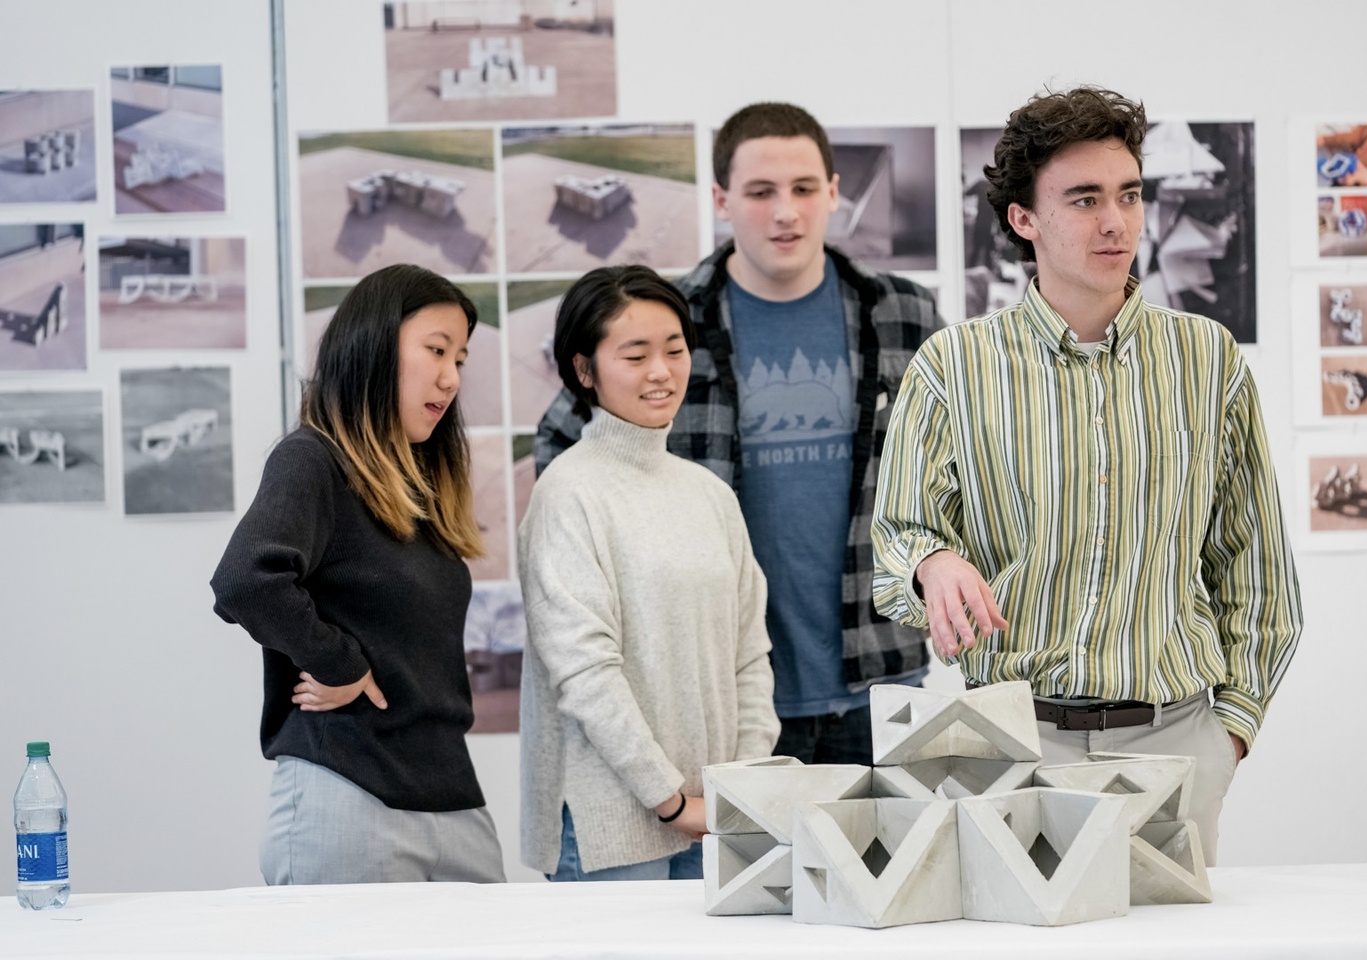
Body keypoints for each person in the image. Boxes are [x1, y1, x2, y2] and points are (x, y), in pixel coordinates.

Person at [870, 87, 1303, 865]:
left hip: (1175, 746)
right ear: (1023, 220)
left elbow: (1255, 564)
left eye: (1129, 195)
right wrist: (932, 563)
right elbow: (900, 540)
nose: (1116, 221)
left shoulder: (1206, 360)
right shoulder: (954, 367)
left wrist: (1230, 732)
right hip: (1009, 746)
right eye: (1084, 199)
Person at [535, 103, 944, 765]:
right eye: (760, 192)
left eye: (805, 189)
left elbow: (959, 470)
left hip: (885, 678)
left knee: (892, 869)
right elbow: (561, 445)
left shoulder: (905, 314)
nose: (786, 212)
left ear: (835, 193)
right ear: (723, 199)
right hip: (722, 692)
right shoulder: (667, 323)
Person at [210, 263, 505, 885]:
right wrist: (339, 662)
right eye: (435, 351)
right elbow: (245, 578)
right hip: (350, 797)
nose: (451, 378)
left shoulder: (420, 487)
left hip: (452, 799)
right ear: (374, 346)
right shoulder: (312, 460)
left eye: (460, 359)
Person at [518, 265, 779, 881]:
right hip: (608, 828)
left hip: (717, 822)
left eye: (674, 350)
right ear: (585, 371)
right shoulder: (568, 493)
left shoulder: (710, 494)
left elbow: (750, 654)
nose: (661, 372)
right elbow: (584, 672)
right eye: (635, 355)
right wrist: (669, 800)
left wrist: (740, 785)